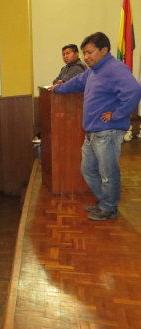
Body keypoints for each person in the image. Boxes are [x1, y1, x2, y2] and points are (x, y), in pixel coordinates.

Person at [50, 32, 141, 221]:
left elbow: (134, 91)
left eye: (90, 52)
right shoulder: (93, 70)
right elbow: (76, 83)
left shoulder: (115, 69)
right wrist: (57, 88)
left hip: (108, 131)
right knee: (88, 170)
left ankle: (109, 207)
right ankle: (105, 202)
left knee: (108, 173)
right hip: (92, 131)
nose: (86, 57)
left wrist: (117, 114)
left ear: (104, 50)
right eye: (84, 53)